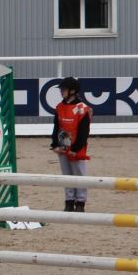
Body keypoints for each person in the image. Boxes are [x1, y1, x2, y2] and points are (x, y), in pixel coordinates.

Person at [51, 76, 92, 212]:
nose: (61, 92)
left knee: (79, 175)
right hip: (63, 147)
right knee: (66, 175)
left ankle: (80, 202)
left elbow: (84, 132)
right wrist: (55, 144)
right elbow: (56, 127)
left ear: (72, 91)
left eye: (64, 89)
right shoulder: (60, 107)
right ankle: (69, 201)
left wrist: (76, 148)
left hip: (76, 148)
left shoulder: (82, 109)